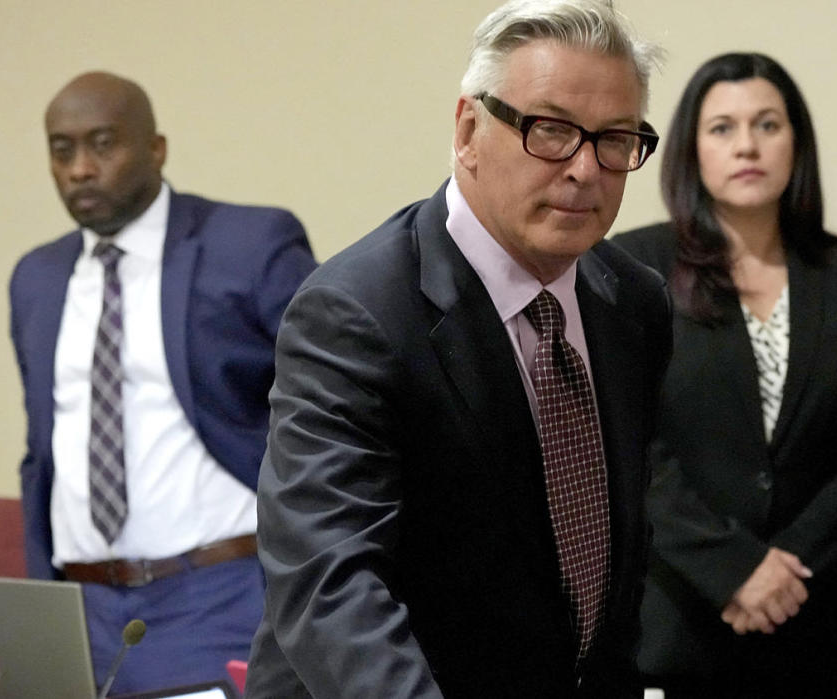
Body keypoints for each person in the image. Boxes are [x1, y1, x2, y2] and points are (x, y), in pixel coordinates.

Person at [243, 2, 670, 697]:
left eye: (615, 139)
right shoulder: (357, 312)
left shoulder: (634, 302)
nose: (586, 169)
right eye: (552, 130)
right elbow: (331, 580)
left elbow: (613, 558)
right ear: (469, 129)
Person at [8, 71, 316, 693]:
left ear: (156, 148)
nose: (80, 169)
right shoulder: (36, 278)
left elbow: (334, 404)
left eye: (103, 144)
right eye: (61, 150)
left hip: (221, 591)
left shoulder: (250, 245)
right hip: (81, 606)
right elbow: (44, 448)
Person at [613, 52, 837, 697]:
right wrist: (734, 570)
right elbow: (627, 446)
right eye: (722, 127)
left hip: (809, 623)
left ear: (796, 142)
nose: (746, 144)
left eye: (767, 124)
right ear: (692, 148)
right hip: (677, 625)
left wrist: (786, 566)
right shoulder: (635, 270)